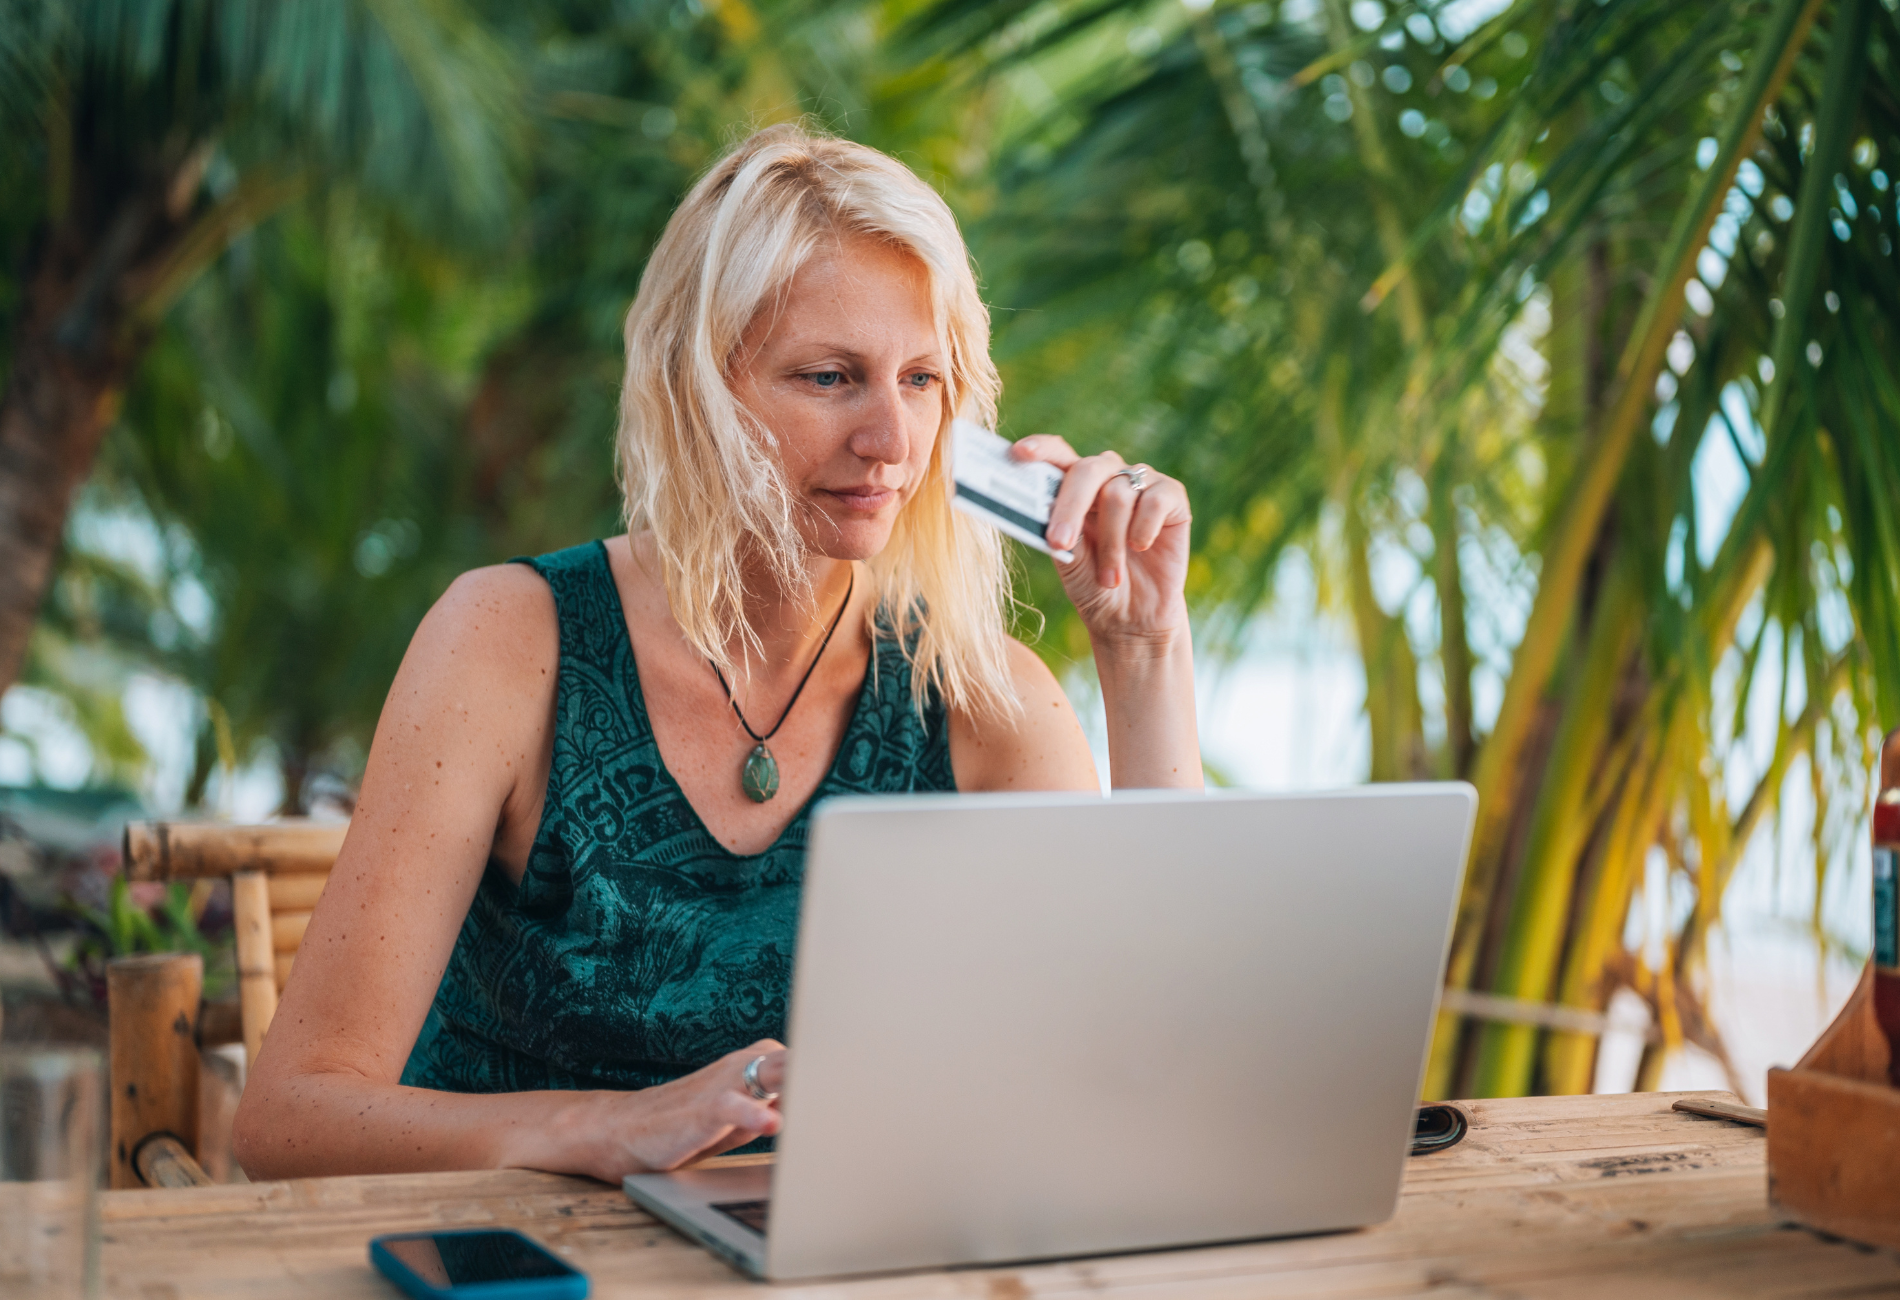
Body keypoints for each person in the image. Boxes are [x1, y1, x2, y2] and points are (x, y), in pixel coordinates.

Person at [233, 123, 1199, 1183]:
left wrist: (1142, 649)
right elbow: (290, 1117)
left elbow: (1146, 1080)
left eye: (922, 379)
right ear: (699, 392)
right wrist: (599, 1129)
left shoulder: (980, 697)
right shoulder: (510, 642)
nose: (892, 440)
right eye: (831, 377)